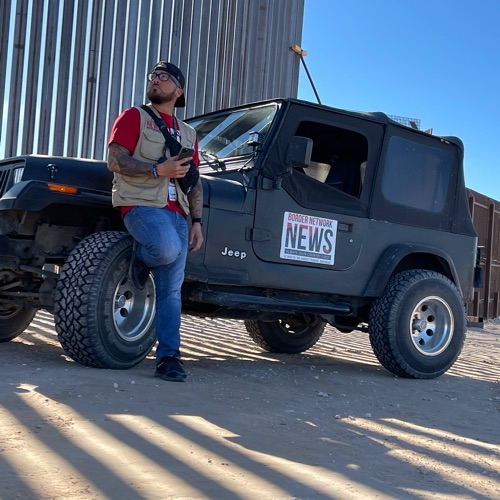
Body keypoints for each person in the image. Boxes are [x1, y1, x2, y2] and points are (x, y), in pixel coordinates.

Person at [107, 61, 203, 383]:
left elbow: (194, 180)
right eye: (153, 76)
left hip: (179, 214)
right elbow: (115, 160)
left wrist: (197, 220)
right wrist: (156, 170)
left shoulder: (189, 133)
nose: (155, 80)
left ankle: (169, 358)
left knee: (172, 292)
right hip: (142, 205)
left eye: (164, 77)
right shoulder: (134, 116)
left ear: (178, 90)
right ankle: (142, 259)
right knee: (164, 249)